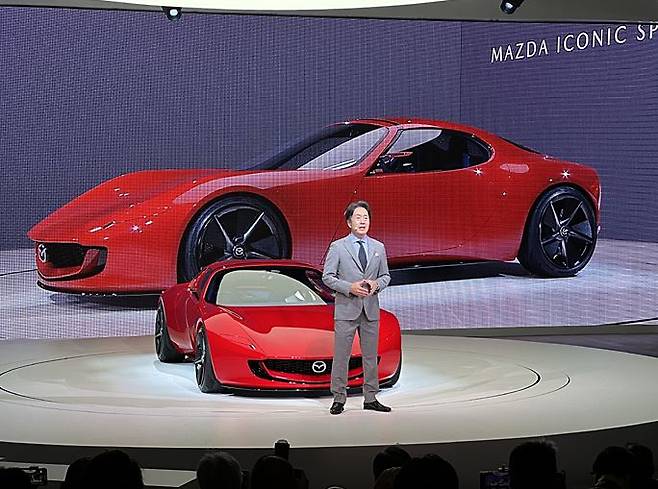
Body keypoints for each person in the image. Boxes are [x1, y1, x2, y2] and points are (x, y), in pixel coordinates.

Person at [322, 200, 391, 415]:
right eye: (358, 218)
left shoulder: (378, 247)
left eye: (366, 218)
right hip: (346, 310)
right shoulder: (338, 247)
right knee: (341, 356)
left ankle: (370, 398)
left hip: (370, 309)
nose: (363, 221)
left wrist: (376, 284)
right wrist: (349, 287)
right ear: (349, 222)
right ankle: (338, 398)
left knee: (370, 357)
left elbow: (386, 276)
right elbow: (327, 277)